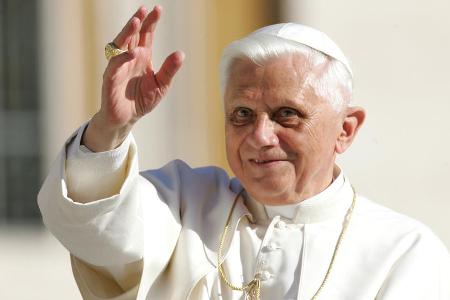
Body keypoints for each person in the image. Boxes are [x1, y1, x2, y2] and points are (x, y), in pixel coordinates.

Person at [38, 5, 450, 300]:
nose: (259, 136)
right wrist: (112, 126)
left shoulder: (405, 252)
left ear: (345, 129)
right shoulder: (184, 204)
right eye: (242, 114)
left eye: (286, 115)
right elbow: (91, 229)